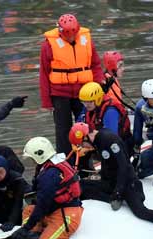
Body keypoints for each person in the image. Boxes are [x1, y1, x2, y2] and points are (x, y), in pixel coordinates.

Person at [70, 123, 153, 239]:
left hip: (128, 183)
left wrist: (118, 191)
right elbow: (108, 163)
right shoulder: (98, 142)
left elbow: (124, 167)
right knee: (82, 186)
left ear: (86, 137)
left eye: (82, 144)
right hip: (113, 181)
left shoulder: (109, 140)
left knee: (141, 212)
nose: (84, 147)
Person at [13, 137, 83, 239]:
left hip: (67, 215)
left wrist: (26, 228)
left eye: (32, 158)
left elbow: (43, 205)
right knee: (28, 210)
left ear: (39, 156)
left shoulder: (49, 175)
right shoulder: (51, 165)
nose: (31, 162)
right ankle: (32, 237)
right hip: (57, 209)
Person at [39, 13, 104, 159]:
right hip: (60, 94)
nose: (71, 38)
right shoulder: (48, 45)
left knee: (88, 126)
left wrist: (99, 85)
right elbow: (44, 73)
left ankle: (90, 159)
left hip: (85, 92)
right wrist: (46, 101)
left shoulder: (86, 40)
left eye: (73, 35)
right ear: (61, 32)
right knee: (63, 131)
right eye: (68, 36)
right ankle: (65, 161)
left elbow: (95, 64)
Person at [79, 81, 133, 151]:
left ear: (98, 99)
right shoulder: (89, 107)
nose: (86, 105)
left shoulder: (110, 111)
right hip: (99, 144)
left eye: (89, 102)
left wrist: (91, 147)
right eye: (83, 102)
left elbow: (111, 138)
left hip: (119, 147)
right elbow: (79, 125)